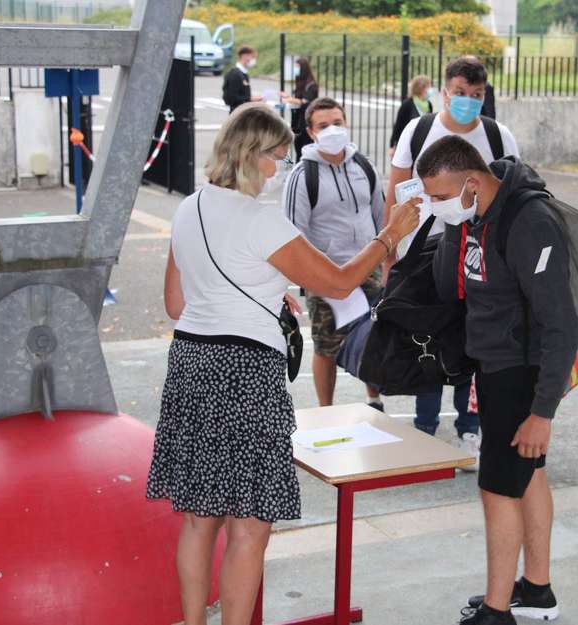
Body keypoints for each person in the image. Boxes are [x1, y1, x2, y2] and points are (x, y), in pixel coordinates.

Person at [146, 103, 420, 625]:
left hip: (190, 364)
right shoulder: (261, 220)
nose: (283, 167)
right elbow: (339, 283)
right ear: (254, 156)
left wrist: (263, 292)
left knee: (199, 518)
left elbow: (178, 306)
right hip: (246, 372)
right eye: (278, 156)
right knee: (250, 525)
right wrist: (390, 235)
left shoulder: (189, 207)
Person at [421, 135, 578, 625]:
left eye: (441, 197)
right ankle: (536, 590)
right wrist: (454, 225)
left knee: (498, 488)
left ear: (471, 182)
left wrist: (542, 412)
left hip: (521, 370)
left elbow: (562, 324)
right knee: (527, 477)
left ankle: (497, 610)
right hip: (494, 365)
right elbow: (449, 286)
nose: (436, 206)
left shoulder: (530, 220)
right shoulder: (475, 217)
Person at [383, 56, 520, 468]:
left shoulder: (498, 136)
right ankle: (424, 427)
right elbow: (394, 192)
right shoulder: (420, 129)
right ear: (444, 91)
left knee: (473, 342)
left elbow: (513, 193)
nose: (468, 102)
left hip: (481, 257)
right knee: (429, 337)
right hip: (424, 254)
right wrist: (390, 249)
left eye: (477, 95)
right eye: (460, 93)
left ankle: (469, 427)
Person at [283, 97, 385, 409]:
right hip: (325, 276)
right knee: (326, 345)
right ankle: (326, 410)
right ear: (311, 133)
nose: (332, 130)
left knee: (374, 338)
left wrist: (385, 263)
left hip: (369, 270)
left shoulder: (365, 167)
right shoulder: (302, 175)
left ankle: (374, 399)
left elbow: (381, 218)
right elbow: (292, 233)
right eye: (324, 126)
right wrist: (313, 277)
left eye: (337, 123)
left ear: (346, 123)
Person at [282, 57, 319, 161]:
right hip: (298, 120)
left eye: (297, 67)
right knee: (298, 146)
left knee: (305, 148)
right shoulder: (300, 82)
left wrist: (290, 99)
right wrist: (288, 97)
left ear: (303, 68)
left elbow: (305, 102)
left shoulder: (311, 85)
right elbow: (298, 99)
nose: (295, 69)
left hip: (306, 120)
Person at [389, 74, 435, 158]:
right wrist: (392, 145)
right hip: (407, 144)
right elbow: (398, 125)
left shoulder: (429, 105)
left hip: (423, 144)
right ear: (421, 88)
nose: (431, 89)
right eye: (429, 86)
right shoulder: (408, 104)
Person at [222, 46, 263, 113]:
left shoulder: (243, 74)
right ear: (244, 56)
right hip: (237, 113)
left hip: (244, 112)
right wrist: (250, 99)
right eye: (252, 57)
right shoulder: (234, 74)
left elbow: (243, 94)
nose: (253, 60)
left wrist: (251, 98)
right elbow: (232, 97)